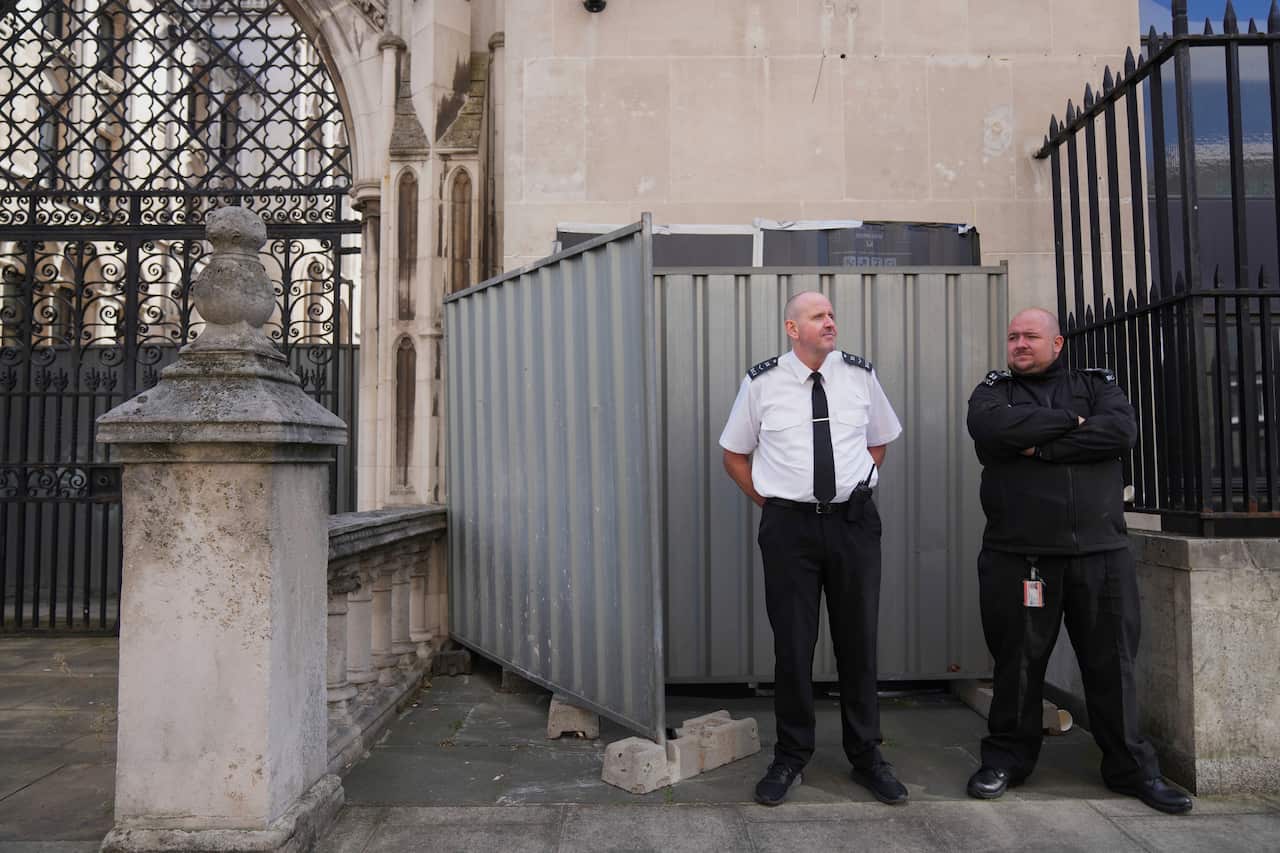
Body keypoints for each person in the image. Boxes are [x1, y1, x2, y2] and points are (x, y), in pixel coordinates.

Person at [964, 307, 1192, 815]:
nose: (1019, 344)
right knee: (1018, 665)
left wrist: (1039, 447)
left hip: (1100, 554)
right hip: (1021, 556)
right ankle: (1006, 760)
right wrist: (1070, 425)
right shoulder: (994, 391)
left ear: (1058, 343)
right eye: (1013, 336)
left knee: (1113, 664)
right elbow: (990, 429)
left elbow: (1119, 433)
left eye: (1030, 336)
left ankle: (1133, 770)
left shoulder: (1097, 387)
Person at [719, 290, 906, 807]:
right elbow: (734, 454)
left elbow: (879, 440)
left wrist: (856, 486)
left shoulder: (859, 376)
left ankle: (867, 756)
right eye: (817, 316)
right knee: (793, 647)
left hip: (853, 526)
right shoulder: (762, 383)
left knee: (858, 643)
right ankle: (791, 755)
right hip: (790, 531)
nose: (830, 322)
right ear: (791, 328)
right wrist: (774, 502)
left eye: (831, 315)